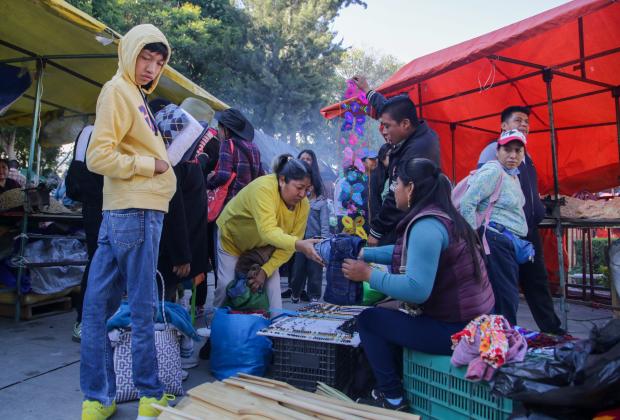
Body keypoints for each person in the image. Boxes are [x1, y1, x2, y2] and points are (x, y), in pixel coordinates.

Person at [342, 158, 494, 411]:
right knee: (390, 310)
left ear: (410, 188)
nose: (394, 191)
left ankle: (392, 397)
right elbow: (409, 253)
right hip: (475, 321)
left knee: (369, 320)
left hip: (457, 331)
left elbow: (417, 289)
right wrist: (365, 254)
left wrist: (368, 275)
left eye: (396, 184)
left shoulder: (427, 225)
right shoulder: (445, 217)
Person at [80, 24, 177, 420]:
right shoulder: (117, 90)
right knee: (140, 308)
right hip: (134, 210)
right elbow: (97, 157)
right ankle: (151, 395)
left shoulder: (135, 95)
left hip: (124, 211)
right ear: (129, 53)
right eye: (145, 57)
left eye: (158, 62)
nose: (151, 68)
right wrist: (149, 164)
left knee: (96, 309)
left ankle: (97, 400)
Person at [478, 106, 564, 335]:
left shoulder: (526, 155)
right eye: (518, 120)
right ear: (503, 126)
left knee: (537, 281)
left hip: (527, 231)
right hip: (503, 233)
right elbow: (480, 190)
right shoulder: (492, 152)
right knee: (506, 288)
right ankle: (505, 337)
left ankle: (553, 330)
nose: (525, 124)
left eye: (527, 121)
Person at [214, 154, 323, 310]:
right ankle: (217, 324)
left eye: (306, 189)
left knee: (273, 292)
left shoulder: (303, 205)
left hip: (263, 249)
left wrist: (265, 271)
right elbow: (268, 231)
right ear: (282, 180)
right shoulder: (264, 189)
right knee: (226, 285)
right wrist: (299, 245)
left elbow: (288, 246)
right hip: (232, 240)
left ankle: (275, 329)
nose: (302, 194)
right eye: (299, 188)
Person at [352, 75, 440, 246]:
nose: (384, 131)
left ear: (405, 124)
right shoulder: (411, 130)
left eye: (387, 126)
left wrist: (376, 231)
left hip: (412, 225)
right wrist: (367, 90)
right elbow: (385, 108)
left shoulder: (416, 151)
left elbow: (395, 195)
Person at [460, 129, 530, 326]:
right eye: (507, 150)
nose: (513, 155)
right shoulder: (493, 171)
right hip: (495, 241)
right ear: (497, 151)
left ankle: (500, 340)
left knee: (506, 296)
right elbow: (467, 202)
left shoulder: (513, 176)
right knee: (505, 297)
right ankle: (504, 343)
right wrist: (474, 236)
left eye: (518, 150)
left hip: (507, 243)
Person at [154, 104, 209, 302]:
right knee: (162, 305)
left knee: (169, 304)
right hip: (172, 254)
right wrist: (181, 255)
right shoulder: (170, 164)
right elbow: (172, 210)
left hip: (187, 248)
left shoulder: (186, 159)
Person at [206, 108, 262, 290]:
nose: (218, 131)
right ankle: (244, 299)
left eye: (219, 128)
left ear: (226, 130)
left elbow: (223, 175)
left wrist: (209, 180)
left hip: (228, 211)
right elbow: (260, 177)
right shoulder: (254, 148)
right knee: (244, 260)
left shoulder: (227, 145)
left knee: (223, 261)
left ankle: (225, 303)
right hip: (249, 212)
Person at [64, 126, 104, 343]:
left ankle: (102, 319)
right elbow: (79, 170)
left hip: (112, 205)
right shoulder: (91, 130)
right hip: (98, 207)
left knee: (107, 264)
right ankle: (83, 320)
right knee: (98, 261)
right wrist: (101, 197)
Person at [289, 149, 330, 303]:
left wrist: (324, 242)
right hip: (300, 240)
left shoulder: (321, 203)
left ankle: (314, 296)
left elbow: (325, 224)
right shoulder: (298, 202)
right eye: (304, 187)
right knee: (298, 270)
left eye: (310, 186)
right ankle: (295, 292)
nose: (307, 189)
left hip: (315, 242)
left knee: (315, 271)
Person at [368, 143, 391, 223]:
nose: (393, 158)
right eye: (389, 155)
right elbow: (373, 202)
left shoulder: (393, 173)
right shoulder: (375, 176)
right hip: (380, 220)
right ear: (382, 157)